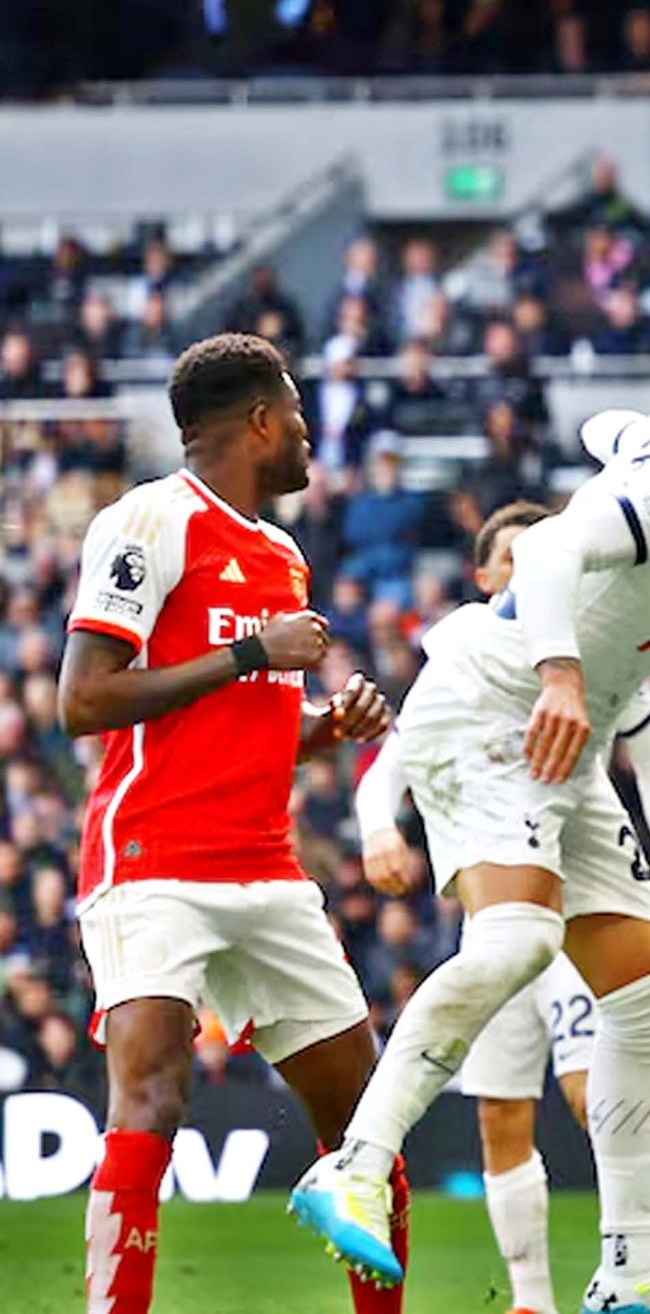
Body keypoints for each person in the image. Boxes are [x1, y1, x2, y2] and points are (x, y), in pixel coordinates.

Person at [292, 321, 650, 1314]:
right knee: (513, 941)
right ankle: (358, 1166)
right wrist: (557, 674)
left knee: (641, 989)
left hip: (573, 743)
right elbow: (549, 545)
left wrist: (625, 450)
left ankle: (633, 1266)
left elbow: (613, 436)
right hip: (501, 706)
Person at [61, 333, 398, 1314]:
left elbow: (243, 728)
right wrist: (252, 650)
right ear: (259, 422)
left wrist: (326, 728)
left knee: (367, 1127)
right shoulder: (149, 521)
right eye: (296, 420)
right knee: (154, 1103)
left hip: (265, 869)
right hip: (151, 859)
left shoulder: (282, 555)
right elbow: (84, 702)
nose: (306, 441)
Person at [354, 501, 650, 1314]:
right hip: (502, 903)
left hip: (575, 907)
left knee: (596, 1093)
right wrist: (379, 828)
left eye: (545, 559)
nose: (532, 576)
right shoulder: (468, 662)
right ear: (486, 578)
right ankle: (531, 1300)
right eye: (512, 562)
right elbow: (395, 762)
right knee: (501, 1116)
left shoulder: (594, 652)